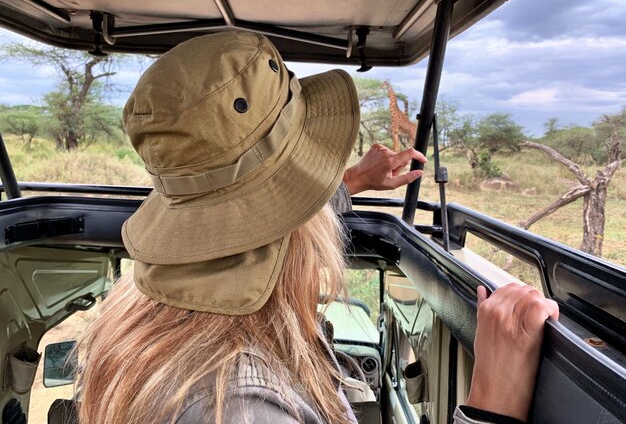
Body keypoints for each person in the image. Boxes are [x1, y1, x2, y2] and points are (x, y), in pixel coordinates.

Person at [76, 31, 558, 424]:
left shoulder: (142, 312)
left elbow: (254, 207)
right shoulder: (242, 408)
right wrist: (493, 405)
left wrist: (350, 180)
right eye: (309, 173)